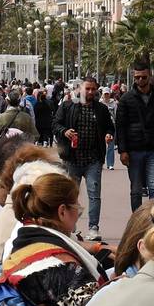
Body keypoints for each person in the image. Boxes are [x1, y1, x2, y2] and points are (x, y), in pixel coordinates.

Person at [0, 172, 109, 306]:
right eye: (77, 209)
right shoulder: (56, 265)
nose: (78, 216)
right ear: (62, 211)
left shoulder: (28, 239)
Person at [52, 76, 114, 242]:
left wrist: (109, 135)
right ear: (80, 89)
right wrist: (64, 131)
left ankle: (93, 228)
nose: (91, 92)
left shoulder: (101, 109)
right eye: (88, 88)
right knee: (70, 196)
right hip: (72, 159)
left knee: (94, 194)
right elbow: (55, 124)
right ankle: (70, 227)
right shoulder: (67, 106)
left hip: (93, 159)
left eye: (94, 89)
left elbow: (110, 127)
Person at [114, 61, 154, 212]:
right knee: (136, 190)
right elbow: (120, 126)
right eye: (137, 77)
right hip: (134, 151)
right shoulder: (126, 99)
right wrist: (123, 150)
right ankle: (138, 221)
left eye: (143, 77)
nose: (140, 80)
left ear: (149, 76)